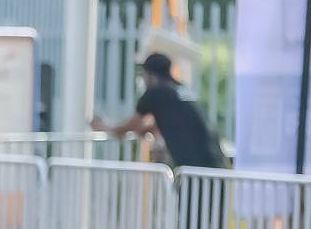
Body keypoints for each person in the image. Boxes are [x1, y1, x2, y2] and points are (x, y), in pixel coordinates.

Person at [94, 49, 226, 171]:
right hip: (216, 168)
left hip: (194, 171)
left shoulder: (155, 93)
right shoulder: (182, 90)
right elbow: (178, 122)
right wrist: (150, 129)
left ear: (150, 75)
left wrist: (106, 128)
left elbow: (131, 126)